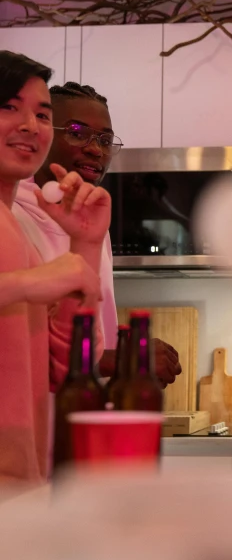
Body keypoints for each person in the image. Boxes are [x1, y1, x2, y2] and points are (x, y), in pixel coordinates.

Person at [13, 81, 181, 387]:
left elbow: (76, 328)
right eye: (77, 132)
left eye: (105, 140)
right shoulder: (13, 216)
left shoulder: (90, 223)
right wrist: (122, 359)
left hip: (78, 413)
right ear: (44, 134)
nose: (95, 149)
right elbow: (21, 347)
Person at [0, 50, 109, 482]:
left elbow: (66, 370)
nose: (30, 125)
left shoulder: (15, 227)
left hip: (22, 477)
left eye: (42, 114)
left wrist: (84, 242)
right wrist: (24, 284)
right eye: (8, 106)